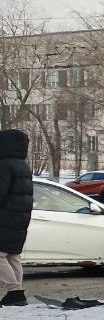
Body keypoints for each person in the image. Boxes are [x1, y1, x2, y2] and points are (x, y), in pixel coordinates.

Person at [0, 128, 34, 307]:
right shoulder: (22, 165)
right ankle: (17, 293)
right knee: (13, 255)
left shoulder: (4, 165)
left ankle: (14, 291)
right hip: (20, 218)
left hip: (5, 218)